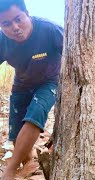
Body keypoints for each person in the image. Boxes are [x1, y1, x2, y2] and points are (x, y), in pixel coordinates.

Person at [0, 0, 63, 179]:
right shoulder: (2, 41)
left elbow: (77, 53)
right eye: (6, 24)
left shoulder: (49, 29)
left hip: (49, 82)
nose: (15, 27)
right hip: (21, 85)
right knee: (15, 133)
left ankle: (10, 170)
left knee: (34, 116)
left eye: (18, 19)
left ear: (26, 13)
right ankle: (30, 164)